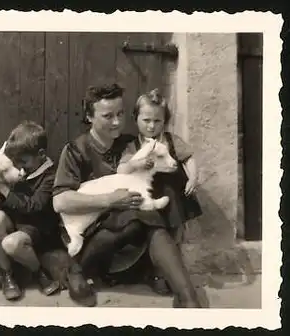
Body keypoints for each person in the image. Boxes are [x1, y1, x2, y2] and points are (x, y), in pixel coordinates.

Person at [52, 83, 203, 308]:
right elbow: (59, 202)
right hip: (91, 236)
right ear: (89, 116)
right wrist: (109, 199)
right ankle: (76, 269)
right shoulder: (76, 150)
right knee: (138, 217)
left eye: (121, 114)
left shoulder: (131, 144)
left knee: (146, 215)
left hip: (130, 233)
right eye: (108, 116)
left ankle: (188, 297)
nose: (116, 122)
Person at [118, 88, 203, 294]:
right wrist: (137, 163)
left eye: (158, 121)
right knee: (154, 234)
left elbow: (188, 158)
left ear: (165, 121)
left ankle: (173, 272)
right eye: (146, 120)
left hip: (174, 195)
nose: (151, 126)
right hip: (149, 195)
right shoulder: (133, 145)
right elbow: (122, 169)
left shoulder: (171, 141)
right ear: (136, 118)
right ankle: (156, 272)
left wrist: (193, 176)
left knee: (176, 232)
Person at [0, 121, 63, 300]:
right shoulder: (24, 172)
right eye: (16, 163)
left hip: (37, 228)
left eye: (24, 162)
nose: (20, 168)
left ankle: (39, 273)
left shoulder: (51, 176)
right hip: (17, 224)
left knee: (11, 244)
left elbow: (34, 206)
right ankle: (7, 275)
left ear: (42, 155)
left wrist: (3, 187)